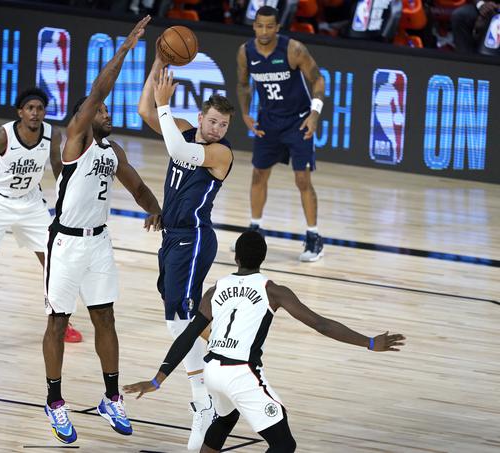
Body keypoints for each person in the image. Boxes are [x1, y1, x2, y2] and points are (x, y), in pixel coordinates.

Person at [124, 231, 406, 452]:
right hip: (240, 373)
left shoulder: (215, 289)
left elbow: (188, 335)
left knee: (225, 419)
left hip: (212, 372)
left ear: (237, 259)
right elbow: (320, 324)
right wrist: (370, 342)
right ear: (263, 259)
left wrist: (158, 378)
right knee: (284, 445)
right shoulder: (273, 291)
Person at [42, 16, 161, 445]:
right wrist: (128, 48)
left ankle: (111, 397)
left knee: (105, 317)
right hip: (67, 242)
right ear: (86, 116)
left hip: (100, 243)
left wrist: (156, 210)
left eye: (108, 111)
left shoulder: (113, 151)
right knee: (57, 321)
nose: (108, 114)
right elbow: (98, 92)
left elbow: (139, 187)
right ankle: (55, 401)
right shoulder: (75, 141)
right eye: (102, 111)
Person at [137, 48, 235, 449]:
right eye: (212, 121)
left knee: (182, 314)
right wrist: (160, 62)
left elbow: (178, 152)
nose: (216, 129)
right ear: (200, 118)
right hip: (171, 235)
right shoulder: (183, 129)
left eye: (223, 124)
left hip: (195, 239)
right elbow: (146, 110)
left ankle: (203, 402)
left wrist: (164, 105)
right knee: (178, 311)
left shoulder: (221, 154)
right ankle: (232, 354)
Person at [0, 87, 83, 359]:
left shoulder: (51, 134)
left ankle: (61, 321)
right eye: (30, 108)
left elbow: (57, 166)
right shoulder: (2, 136)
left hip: (31, 203)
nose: (36, 113)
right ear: (20, 112)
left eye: (40, 108)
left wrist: (66, 198)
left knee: (53, 262)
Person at [236, 6, 326, 262]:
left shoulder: (293, 49)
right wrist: (245, 113)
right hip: (268, 121)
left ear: (277, 28)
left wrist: (314, 114)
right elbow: (243, 84)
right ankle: (254, 230)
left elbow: (318, 80)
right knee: (258, 175)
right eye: (260, 25)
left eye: (269, 26)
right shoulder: (245, 52)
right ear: (254, 26)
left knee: (302, 180)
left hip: (298, 122)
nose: (264, 31)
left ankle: (313, 237)